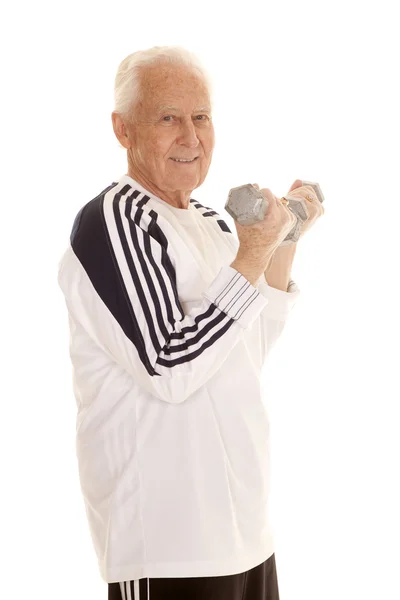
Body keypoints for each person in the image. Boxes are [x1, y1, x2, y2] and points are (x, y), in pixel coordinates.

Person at [57, 45, 324, 600]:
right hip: (168, 547)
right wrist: (250, 254)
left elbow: (247, 345)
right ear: (123, 130)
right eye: (168, 118)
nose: (191, 137)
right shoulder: (113, 221)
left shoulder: (207, 221)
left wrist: (282, 242)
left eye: (200, 117)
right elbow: (171, 366)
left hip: (246, 535)